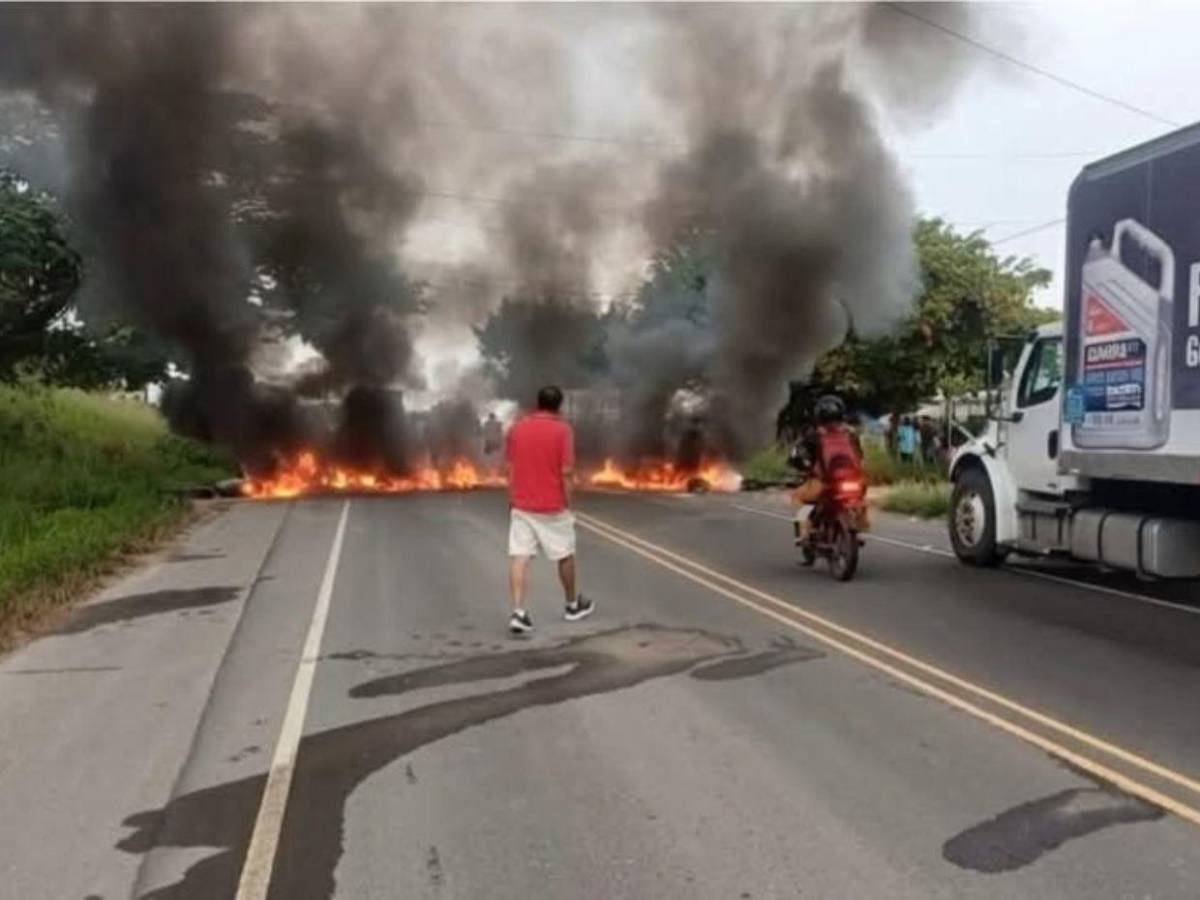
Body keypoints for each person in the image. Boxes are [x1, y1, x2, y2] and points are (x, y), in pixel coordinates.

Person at [504, 385, 594, 635]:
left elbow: (510, 469)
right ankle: (572, 605)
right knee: (565, 554)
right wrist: (569, 500)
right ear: (559, 406)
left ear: (538, 403)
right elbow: (566, 471)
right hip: (553, 506)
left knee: (519, 557)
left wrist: (511, 497)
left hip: (522, 504)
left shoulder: (517, 428)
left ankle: (518, 612)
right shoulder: (563, 430)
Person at [789, 394, 864, 545]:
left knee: (798, 498)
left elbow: (798, 455)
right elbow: (860, 455)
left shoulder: (814, 435)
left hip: (824, 482)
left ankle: (804, 532)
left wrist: (801, 466)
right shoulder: (850, 433)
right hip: (854, 481)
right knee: (860, 501)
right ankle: (860, 530)